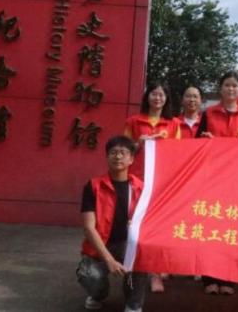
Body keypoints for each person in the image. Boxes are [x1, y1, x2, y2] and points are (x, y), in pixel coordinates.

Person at [195, 71, 238, 295]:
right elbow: (197, 144)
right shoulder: (209, 113)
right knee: (211, 226)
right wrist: (207, 142)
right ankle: (208, 277)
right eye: (227, 85)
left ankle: (229, 278)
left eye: (235, 86)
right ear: (220, 89)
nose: (231, 89)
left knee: (233, 228)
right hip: (212, 178)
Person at [77, 136, 148, 312]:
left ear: (131, 159)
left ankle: (133, 304)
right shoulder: (93, 186)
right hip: (100, 245)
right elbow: (88, 227)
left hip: (127, 245)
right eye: (113, 152)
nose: (118, 156)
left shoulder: (141, 188)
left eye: (123, 153)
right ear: (107, 157)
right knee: (90, 276)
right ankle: (98, 295)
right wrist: (109, 260)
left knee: (141, 263)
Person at [123, 82, 176, 293]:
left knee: (158, 227)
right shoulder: (133, 121)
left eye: (161, 95)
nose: (157, 98)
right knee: (136, 225)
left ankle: (156, 273)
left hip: (162, 182)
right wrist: (138, 143)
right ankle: (134, 268)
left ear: (166, 99)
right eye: (154, 94)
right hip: (137, 180)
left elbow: (179, 152)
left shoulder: (174, 124)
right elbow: (124, 150)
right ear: (147, 97)